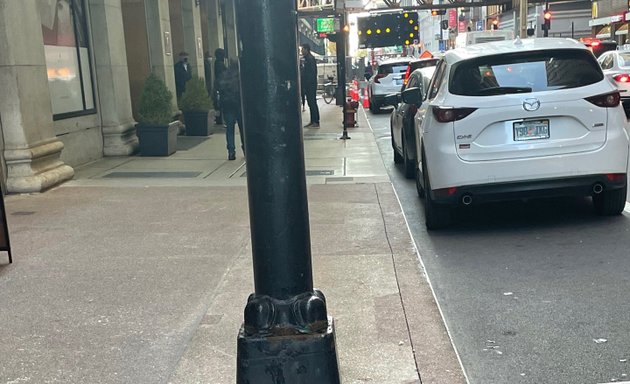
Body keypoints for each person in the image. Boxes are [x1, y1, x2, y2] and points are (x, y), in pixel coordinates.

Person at [218, 60, 244, 160]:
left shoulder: (224, 76)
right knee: (242, 129)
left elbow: (218, 89)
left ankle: (231, 151)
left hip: (228, 106)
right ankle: (245, 148)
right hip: (238, 105)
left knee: (229, 129)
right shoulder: (240, 77)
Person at [301, 43, 319, 128]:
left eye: (302, 49)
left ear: (306, 49)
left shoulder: (310, 59)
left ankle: (316, 121)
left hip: (310, 85)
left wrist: (308, 83)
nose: (301, 51)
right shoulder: (306, 59)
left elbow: (311, 73)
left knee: (312, 102)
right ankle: (313, 120)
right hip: (308, 84)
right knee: (310, 102)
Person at [213, 48, 227, 125]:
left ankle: (220, 119)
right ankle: (221, 119)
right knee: (221, 103)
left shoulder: (217, 62)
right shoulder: (220, 64)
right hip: (221, 86)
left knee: (219, 103)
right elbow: (222, 75)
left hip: (219, 85)